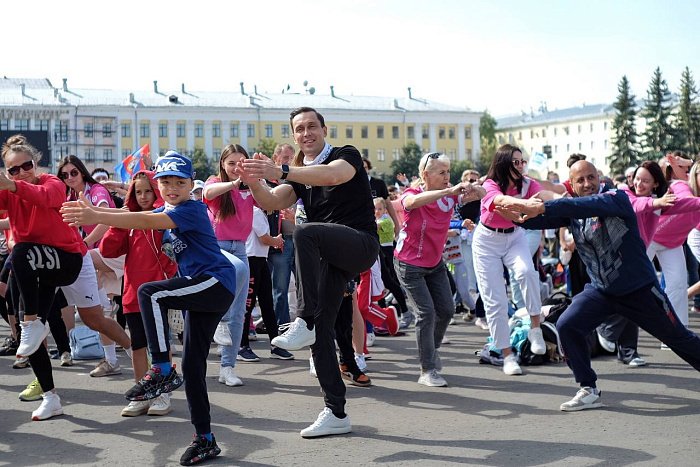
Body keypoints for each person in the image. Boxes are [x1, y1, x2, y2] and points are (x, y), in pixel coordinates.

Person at [63, 151, 243, 465]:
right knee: (193, 368)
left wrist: (97, 216)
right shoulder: (167, 208)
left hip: (215, 282)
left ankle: (160, 368)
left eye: (179, 182)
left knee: (151, 293)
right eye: (165, 182)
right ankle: (205, 439)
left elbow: (145, 219)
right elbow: (136, 213)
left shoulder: (191, 209)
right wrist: (97, 210)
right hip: (201, 286)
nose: (172, 187)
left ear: (191, 185)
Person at [506, 160, 700, 411]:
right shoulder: (573, 211)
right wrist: (517, 215)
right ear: (572, 185)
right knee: (567, 325)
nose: (587, 184)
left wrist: (541, 205)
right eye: (581, 180)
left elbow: (583, 206)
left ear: (599, 178)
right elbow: (537, 219)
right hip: (601, 290)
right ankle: (588, 389)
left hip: (639, 289)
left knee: (678, 339)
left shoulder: (616, 198)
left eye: (591, 177)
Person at [236, 106, 380, 438]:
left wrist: (281, 168)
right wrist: (255, 182)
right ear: (294, 135)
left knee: (303, 231)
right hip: (328, 256)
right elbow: (272, 202)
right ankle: (336, 412)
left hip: (360, 243)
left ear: (324, 129)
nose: (306, 133)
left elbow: (333, 176)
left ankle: (301, 319)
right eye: (299, 129)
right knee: (321, 329)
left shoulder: (346, 155)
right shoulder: (298, 171)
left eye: (311, 127)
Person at [2, 135, 131, 421]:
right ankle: (50, 396)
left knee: (94, 319)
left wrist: (12, 184)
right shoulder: (9, 191)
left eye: (26, 166)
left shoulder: (52, 182)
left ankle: (138, 357)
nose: (22, 173)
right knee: (29, 329)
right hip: (37, 264)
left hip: (71, 259)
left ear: (36, 164)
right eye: (13, 170)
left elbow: (46, 198)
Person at [393, 152, 484, 386]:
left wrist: (481, 189)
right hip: (409, 264)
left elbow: (473, 194)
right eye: (441, 172)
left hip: (434, 263)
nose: (447, 177)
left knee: (446, 310)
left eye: (448, 172)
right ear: (425, 175)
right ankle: (427, 370)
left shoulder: (450, 196)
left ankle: (431, 351)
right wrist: (449, 191)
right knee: (426, 313)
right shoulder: (412, 194)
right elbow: (411, 204)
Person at [99, 170, 178, 416]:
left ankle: (162, 393)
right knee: (138, 345)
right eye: (138, 191)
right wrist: (119, 222)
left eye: (148, 190)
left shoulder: (163, 216)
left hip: (159, 292)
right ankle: (143, 393)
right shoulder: (130, 219)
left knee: (160, 344)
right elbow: (108, 250)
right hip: (133, 292)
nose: (143, 196)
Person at [472, 144, 548, 376]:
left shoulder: (527, 183)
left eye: (522, 161)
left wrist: (569, 199)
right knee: (495, 301)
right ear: (504, 163)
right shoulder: (489, 184)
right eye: (516, 162)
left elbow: (546, 195)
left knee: (526, 272)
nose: (520, 166)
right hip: (486, 242)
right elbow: (502, 202)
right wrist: (527, 205)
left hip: (514, 237)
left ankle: (536, 327)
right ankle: (507, 355)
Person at [204, 144, 254, 386]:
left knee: (238, 314)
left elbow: (269, 201)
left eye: (241, 162)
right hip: (217, 249)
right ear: (223, 164)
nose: (236, 167)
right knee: (240, 270)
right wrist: (235, 184)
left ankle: (227, 368)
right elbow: (207, 194)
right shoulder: (217, 182)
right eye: (231, 163)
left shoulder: (250, 186)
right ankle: (219, 323)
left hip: (241, 248)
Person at [267, 143, 297, 325]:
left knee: (305, 285)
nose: (289, 162)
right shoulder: (270, 182)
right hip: (282, 240)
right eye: (285, 158)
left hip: (301, 238)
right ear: (276, 158)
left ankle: (306, 324)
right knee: (280, 287)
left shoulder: (297, 180)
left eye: (291, 158)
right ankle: (282, 326)